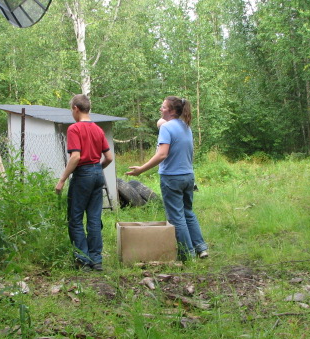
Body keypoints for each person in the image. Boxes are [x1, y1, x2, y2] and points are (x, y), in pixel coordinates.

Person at [126, 96, 208, 261]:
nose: (160, 109)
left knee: (177, 217)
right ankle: (201, 248)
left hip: (172, 178)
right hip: (188, 176)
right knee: (188, 213)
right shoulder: (186, 126)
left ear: (171, 111)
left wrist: (141, 169)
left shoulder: (167, 128)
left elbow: (162, 154)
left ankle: (187, 254)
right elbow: (160, 122)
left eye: (163, 107)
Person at [56, 94, 113, 271]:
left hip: (82, 175)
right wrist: (96, 170)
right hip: (97, 173)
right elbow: (109, 157)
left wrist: (62, 179)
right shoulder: (98, 129)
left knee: (75, 219)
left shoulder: (74, 129)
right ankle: (97, 260)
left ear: (75, 108)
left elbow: (75, 157)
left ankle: (83, 260)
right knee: (94, 219)